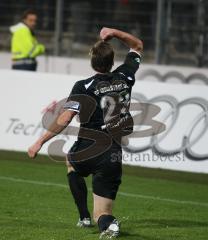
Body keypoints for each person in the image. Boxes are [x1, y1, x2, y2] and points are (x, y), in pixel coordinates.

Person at [28, 27, 143, 238]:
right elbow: (137, 45)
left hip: (86, 149)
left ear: (92, 62)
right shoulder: (126, 76)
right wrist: (114, 33)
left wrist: (40, 142)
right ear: (112, 61)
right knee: (104, 213)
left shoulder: (83, 86)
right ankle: (109, 224)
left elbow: (65, 118)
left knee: (71, 162)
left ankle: (83, 216)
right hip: (112, 154)